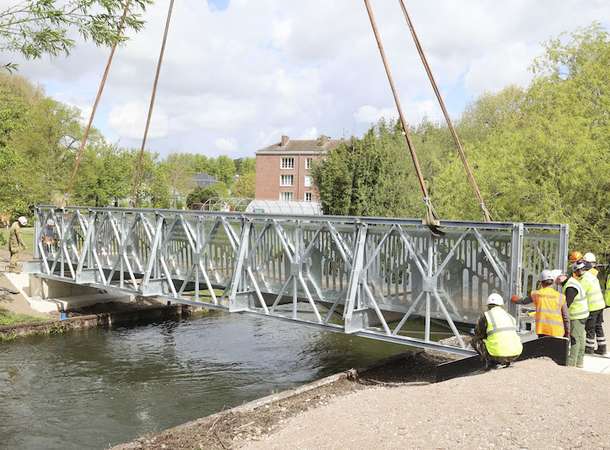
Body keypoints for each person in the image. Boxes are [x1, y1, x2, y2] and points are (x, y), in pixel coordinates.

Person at [511, 270, 569, 338]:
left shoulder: (536, 294)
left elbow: (523, 301)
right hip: (558, 332)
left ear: (541, 282)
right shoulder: (561, 297)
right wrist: (567, 333)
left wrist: (513, 298)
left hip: (542, 330)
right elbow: (566, 318)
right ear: (553, 282)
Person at [472, 293, 523, 369]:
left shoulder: (486, 315)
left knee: (475, 341)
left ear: (488, 305)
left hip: (497, 354)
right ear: (501, 305)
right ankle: (506, 361)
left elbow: (478, 333)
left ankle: (490, 362)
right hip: (516, 353)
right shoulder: (510, 317)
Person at [556, 267, 589, 368]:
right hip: (582, 314)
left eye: (556, 279)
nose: (555, 282)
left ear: (561, 277)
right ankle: (579, 361)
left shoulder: (570, 287)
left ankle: (572, 361)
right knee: (581, 337)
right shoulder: (571, 282)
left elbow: (566, 304)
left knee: (575, 338)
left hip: (577, 315)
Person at [576, 259, 606, 355]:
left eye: (576, 271)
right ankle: (602, 348)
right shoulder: (592, 276)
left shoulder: (584, 280)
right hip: (600, 305)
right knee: (598, 326)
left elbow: (579, 294)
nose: (576, 273)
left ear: (581, 270)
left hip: (593, 307)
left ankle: (589, 349)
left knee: (590, 328)